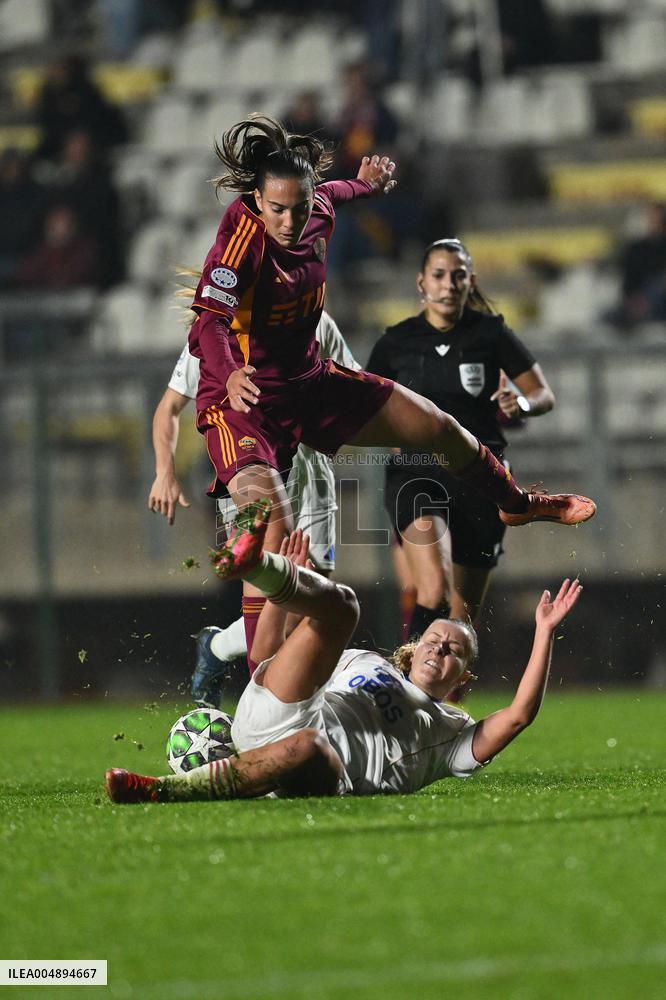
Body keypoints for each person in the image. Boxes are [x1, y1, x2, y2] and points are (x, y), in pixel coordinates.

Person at [187, 113, 594, 674]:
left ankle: (517, 502)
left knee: (437, 427)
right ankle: (258, 683)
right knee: (272, 527)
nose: (288, 219)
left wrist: (368, 183)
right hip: (242, 405)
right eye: (276, 208)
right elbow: (208, 321)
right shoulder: (241, 236)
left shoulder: (318, 210)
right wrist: (231, 370)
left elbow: (335, 191)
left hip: (310, 384)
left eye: (297, 208)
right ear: (256, 199)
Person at [106, 502, 583, 802]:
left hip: (320, 770)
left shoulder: (452, 734)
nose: (440, 645)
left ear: (462, 679)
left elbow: (519, 715)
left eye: (455, 649)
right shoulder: (363, 661)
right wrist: (286, 593)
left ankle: (163, 790)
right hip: (271, 716)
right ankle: (261, 565)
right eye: (435, 638)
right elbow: (267, 659)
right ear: (414, 650)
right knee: (343, 605)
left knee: (311, 744)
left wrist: (544, 632)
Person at [148, 310, 360, 705]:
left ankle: (219, 647)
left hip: (312, 478)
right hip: (250, 475)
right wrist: (164, 471)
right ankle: (264, 713)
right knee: (273, 595)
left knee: (309, 600)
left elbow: (354, 387)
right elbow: (169, 408)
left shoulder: (316, 319)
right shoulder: (216, 335)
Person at [366, 237, 556, 641]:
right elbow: (366, 406)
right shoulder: (395, 342)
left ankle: (444, 701)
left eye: (458, 275)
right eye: (439, 275)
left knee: (461, 620)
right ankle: (406, 691)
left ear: (471, 281)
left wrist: (519, 404)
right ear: (422, 283)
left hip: (482, 476)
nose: (448, 284)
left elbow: (543, 394)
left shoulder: (491, 333)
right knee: (432, 587)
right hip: (415, 473)